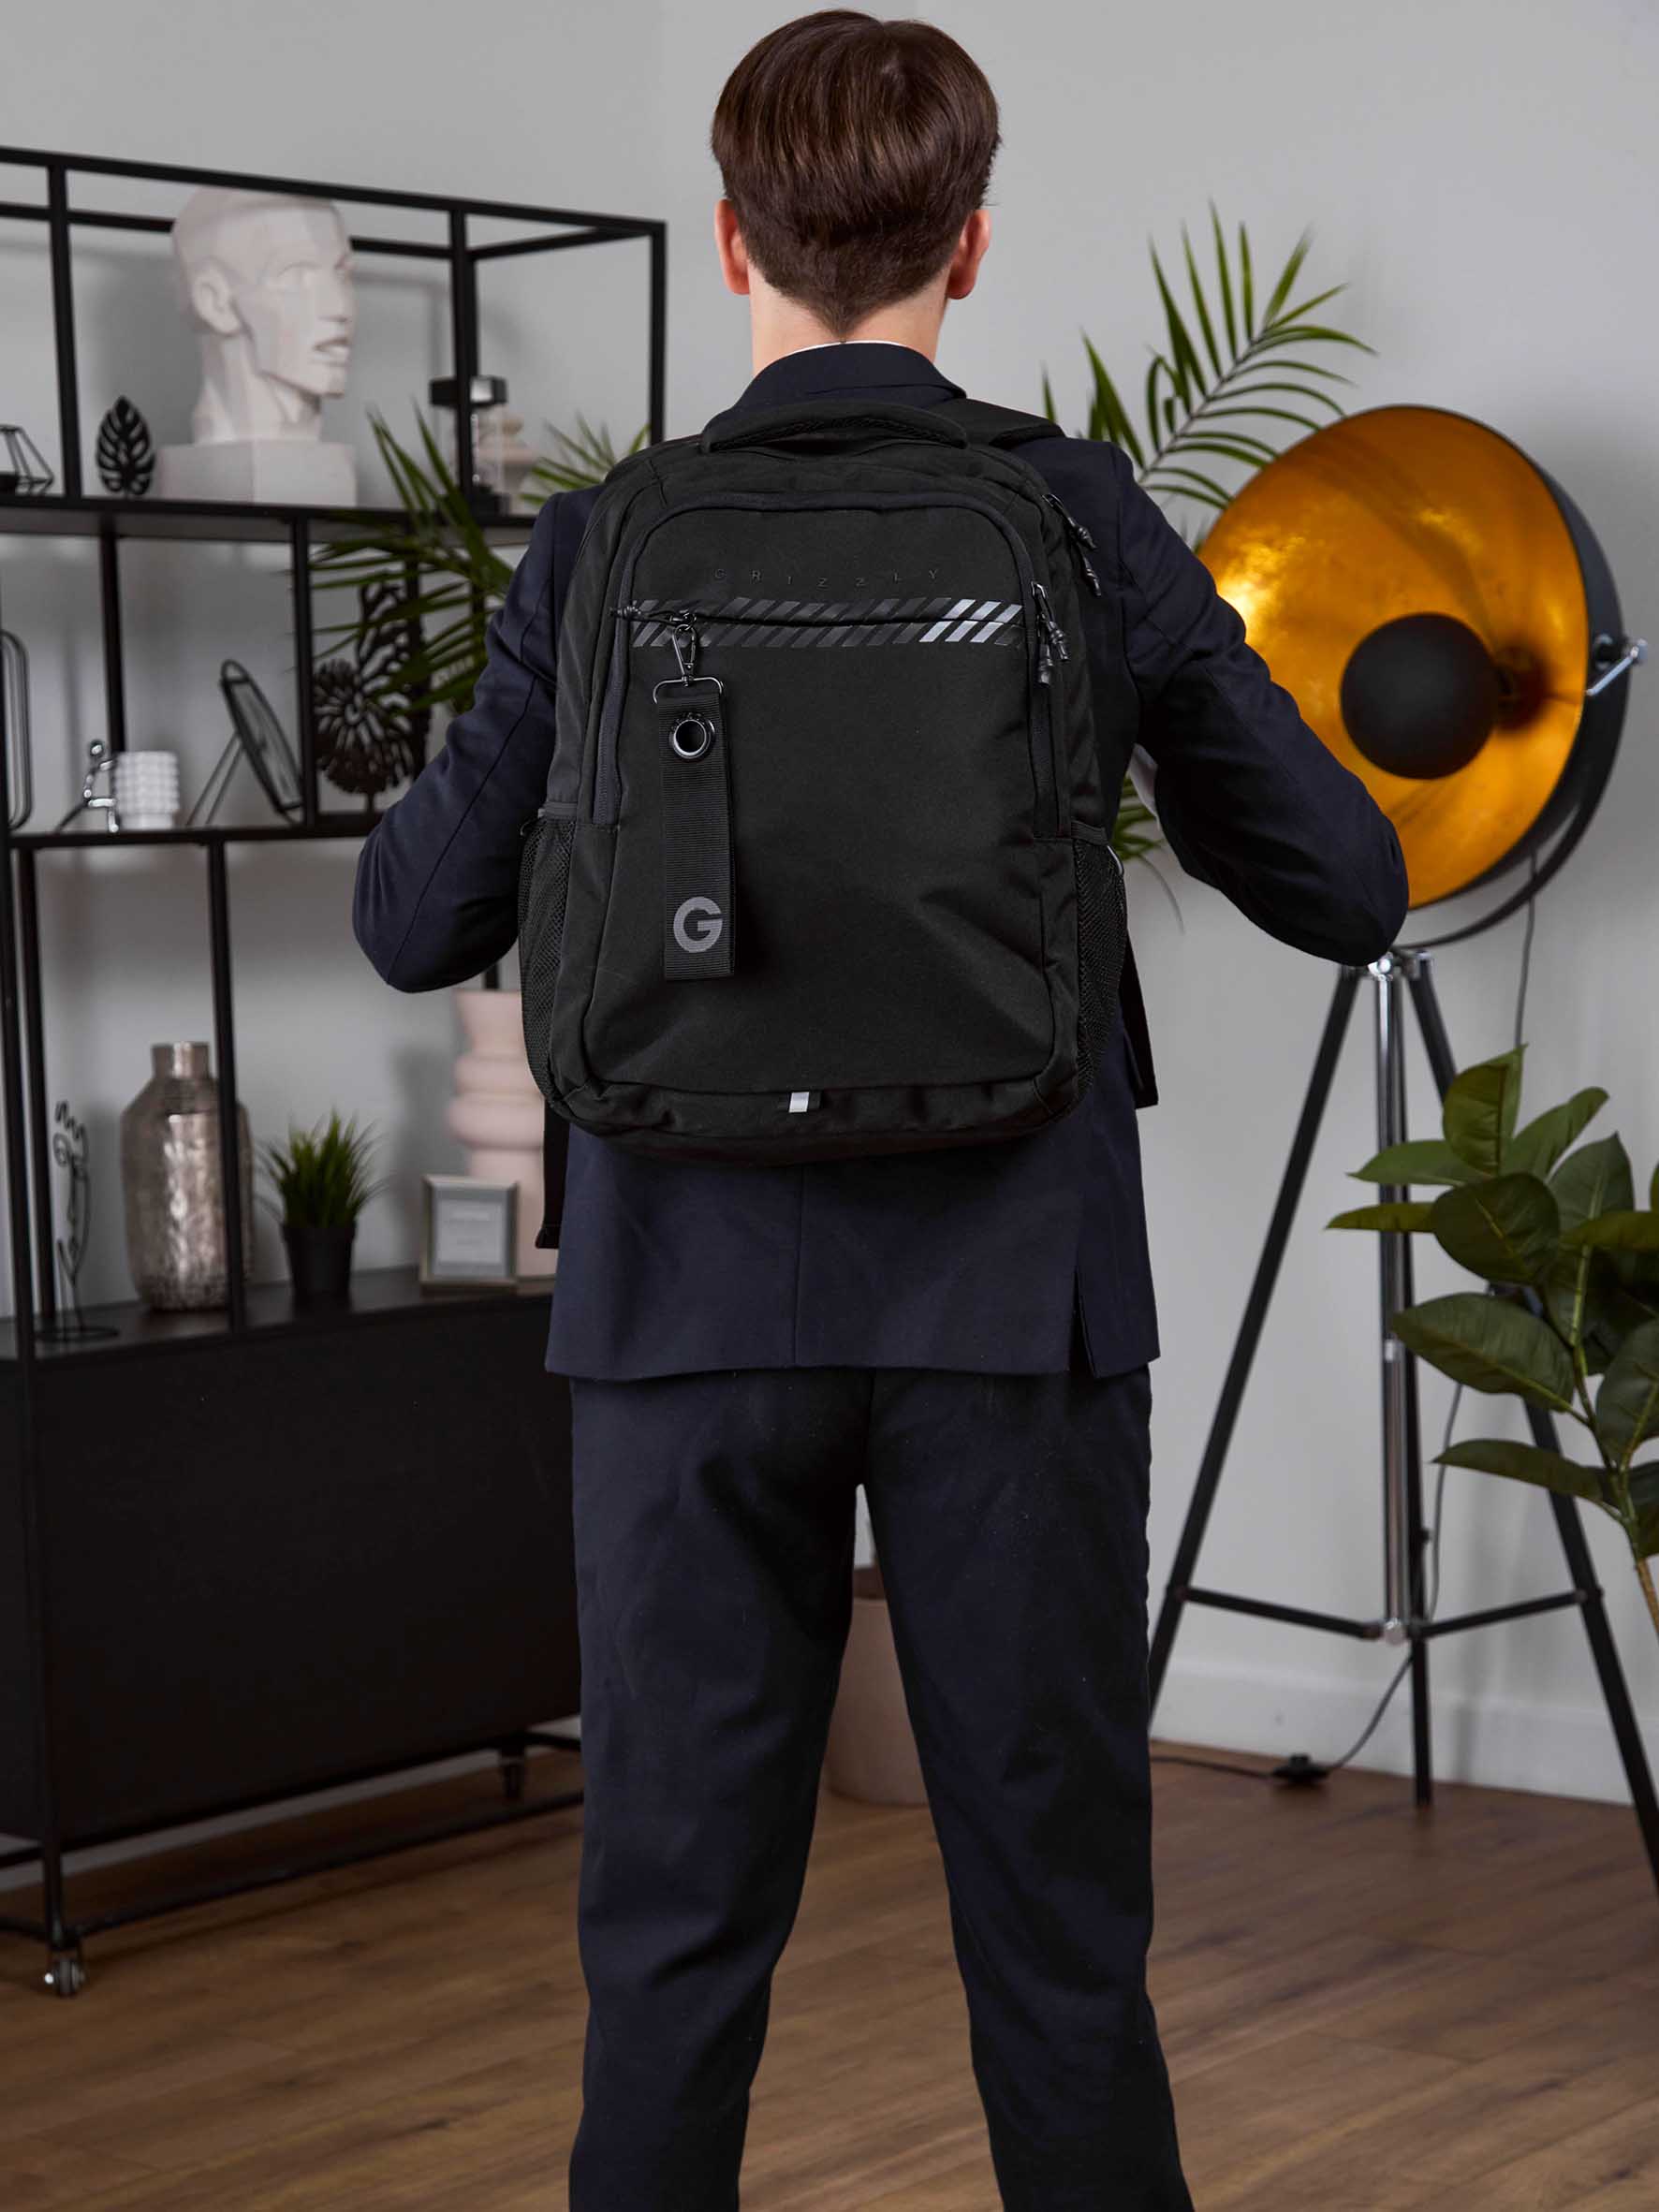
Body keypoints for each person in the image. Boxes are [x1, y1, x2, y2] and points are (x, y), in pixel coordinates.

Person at [354, 12, 1409, 2206]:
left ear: (730, 240)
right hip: (1014, 1306)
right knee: (1056, 1937)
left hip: (676, 1310)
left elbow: (411, 917)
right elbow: (1344, 884)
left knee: (670, 1946)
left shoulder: (608, 538)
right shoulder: (1074, 514)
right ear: (973, 244)